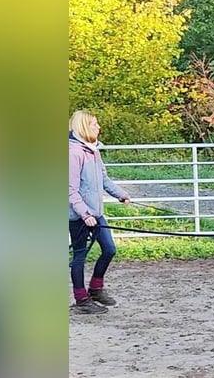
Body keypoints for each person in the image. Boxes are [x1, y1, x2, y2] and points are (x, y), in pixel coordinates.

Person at [68, 110, 130, 314]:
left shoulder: (93, 151)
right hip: (79, 216)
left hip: (96, 213)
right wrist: (85, 214)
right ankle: (81, 300)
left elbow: (104, 179)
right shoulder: (74, 153)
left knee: (109, 249)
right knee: (79, 255)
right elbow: (70, 189)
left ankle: (95, 288)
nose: (98, 127)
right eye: (95, 124)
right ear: (85, 127)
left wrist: (120, 194)